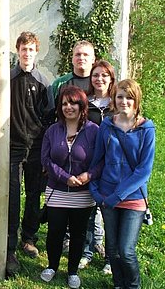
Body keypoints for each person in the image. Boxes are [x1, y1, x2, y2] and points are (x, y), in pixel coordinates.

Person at [89, 79, 155, 289]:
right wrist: (96, 192)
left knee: (126, 250)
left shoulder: (146, 128)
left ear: (136, 100)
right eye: (120, 97)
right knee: (113, 249)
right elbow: (97, 160)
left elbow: (143, 170)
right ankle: (118, 284)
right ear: (114, 100)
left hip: (133, 198)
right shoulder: (107, 126)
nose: (124, 101)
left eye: (129, 97)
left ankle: (133, 286)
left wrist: (119, 195)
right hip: (107, 197)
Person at [40, 86, 99, 289]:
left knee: (78, 233)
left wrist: (87, 175)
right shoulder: (52, 130)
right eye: (64, 103)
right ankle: (52, 266)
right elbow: (46, 160)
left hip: (83, 193)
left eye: (73, 103)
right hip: (57, 190)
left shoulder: (93, 131)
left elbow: (101, 160)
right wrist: (65, 178)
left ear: (81, 105)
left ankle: (72, 271)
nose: (68, 107)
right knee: (54, 231)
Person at [6, 31, 53, 274]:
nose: (27, 54)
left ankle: (29, 238)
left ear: (36, 52)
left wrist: (43, 144)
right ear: (18, 51)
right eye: (23, 49)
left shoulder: (44, 82)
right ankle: (10, 244)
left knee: (34, 194)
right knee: (12, 197)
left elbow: (49, 117)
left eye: (31, 50)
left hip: (35, 148)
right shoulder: (8, 80)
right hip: (12, 147)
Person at [79, 60, 116, 274]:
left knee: (109, 213)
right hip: (89, 165)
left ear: (111, 78)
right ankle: (86, 252)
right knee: (88, 212)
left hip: (111, 168)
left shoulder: (117, 104)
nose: (99, 79)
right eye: (95, 75)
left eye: (104, 75)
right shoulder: (86, 103)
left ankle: (110, 258)